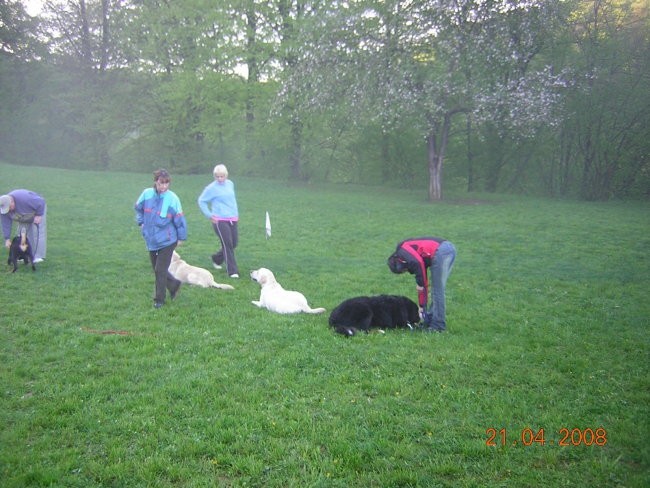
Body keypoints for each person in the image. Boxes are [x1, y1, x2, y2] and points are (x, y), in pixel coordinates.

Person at [135, 169, 187, 309]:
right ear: (155, 182)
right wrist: (141, 222)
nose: (164, 186)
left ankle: (159, 300)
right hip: (151, 240)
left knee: (160, 269)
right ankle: (174, 285)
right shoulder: (146, 194)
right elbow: (138, 209)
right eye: (161, 183)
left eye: (166, 183)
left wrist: (181, 237)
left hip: (168, 240)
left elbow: (179, 219)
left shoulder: (173, 198)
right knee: (157, 269)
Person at [388, 237, 456, 332]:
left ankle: (438, 326)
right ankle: (430, 320)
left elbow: (419, 266)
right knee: (436, 290)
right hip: (445, 249)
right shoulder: (403, 253)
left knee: (437, 291)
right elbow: (420, 270)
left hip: (442, 251)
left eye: (404, 270)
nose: (406, 271)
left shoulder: (403, 251)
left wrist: (421, 304)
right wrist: (422, 303)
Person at [197, 164, 240, 278]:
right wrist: (210, 215)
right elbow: (201, 201)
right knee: (227, 244)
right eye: (217, 176)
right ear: (214, 176)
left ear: (226, 175)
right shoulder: (211, 188)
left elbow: (232, 201)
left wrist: (235, 214)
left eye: (222, 176)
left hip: (233, 218)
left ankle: (217, 258)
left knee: (234, 243)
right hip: (220, 220)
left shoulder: (230, 184)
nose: (220, 179)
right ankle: (232, 271)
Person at [1, 189, 47, 263]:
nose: (8, 210)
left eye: (9, 207)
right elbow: (5, 223)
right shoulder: (3, 208)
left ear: (12, 201)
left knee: (36, 233)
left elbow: (41, 201)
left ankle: (38, 256)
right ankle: (23, 255)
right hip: (22, 214)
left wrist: (39, 214)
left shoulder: (25, 198)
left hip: (37, 209)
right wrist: (7, 238)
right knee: (21, 234)